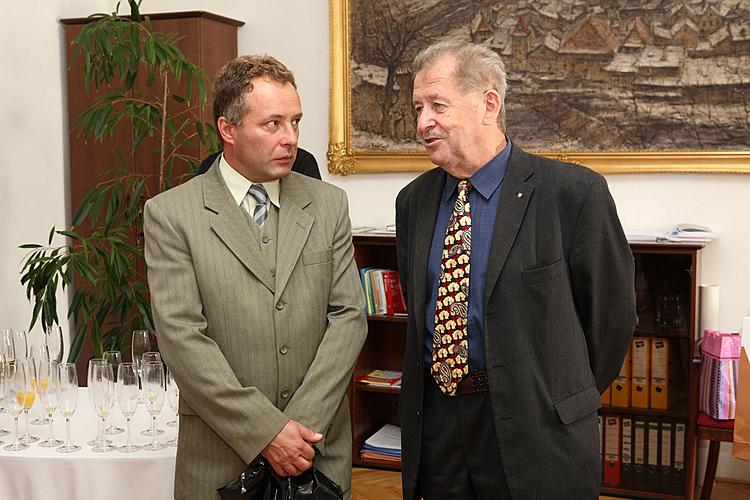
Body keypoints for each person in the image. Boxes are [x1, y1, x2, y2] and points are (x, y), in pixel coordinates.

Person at [395, 40, 636, 499]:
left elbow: (612, 319)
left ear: (489, 104)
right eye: (418, 107)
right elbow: (418, 302)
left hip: (537, 427)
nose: (423, 122)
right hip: (438, 429)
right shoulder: (414, 201)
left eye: (437, 105)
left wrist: (559, 397)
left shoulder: (573, 194)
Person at [144, 55, 367, 500]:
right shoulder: (171, 215)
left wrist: (297, 430)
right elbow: (183, 339)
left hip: (316, 453)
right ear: (228, 129)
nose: (291, 139)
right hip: (220, 460)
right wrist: (267, 432)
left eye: (296, 122)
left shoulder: (329, 205)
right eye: (273, 124)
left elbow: (349, 316)